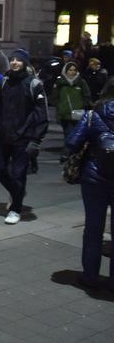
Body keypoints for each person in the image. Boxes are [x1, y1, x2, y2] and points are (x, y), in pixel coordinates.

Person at [0, 48, 49, 225]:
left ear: (25, 63)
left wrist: (36, 139)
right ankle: (18, 193)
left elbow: (41, 114)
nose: (14, 62)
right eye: (12, 59)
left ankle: (16, 209)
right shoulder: (3, 82)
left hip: (24, 137)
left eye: (18, 60)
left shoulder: (34, 84)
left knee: (18, 174)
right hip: (3, 135)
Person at [65, 96, 114, 291]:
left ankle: (89, 277)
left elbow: (72, 142)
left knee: (93, 229)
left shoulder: (93, 116)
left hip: (95, 178)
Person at [52, 61, 93, 145]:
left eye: (74, 70)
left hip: (78, 113)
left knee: (74, 133)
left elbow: (87, 95)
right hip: (64, 113)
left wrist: (83, 105)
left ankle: (68, 153)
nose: (72, 72)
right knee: (68, 133)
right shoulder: (60, 82)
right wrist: (59, 106)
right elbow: (54, 97)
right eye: (70, 70)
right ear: (66, 71)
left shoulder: (81, 82)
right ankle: (69, 153)